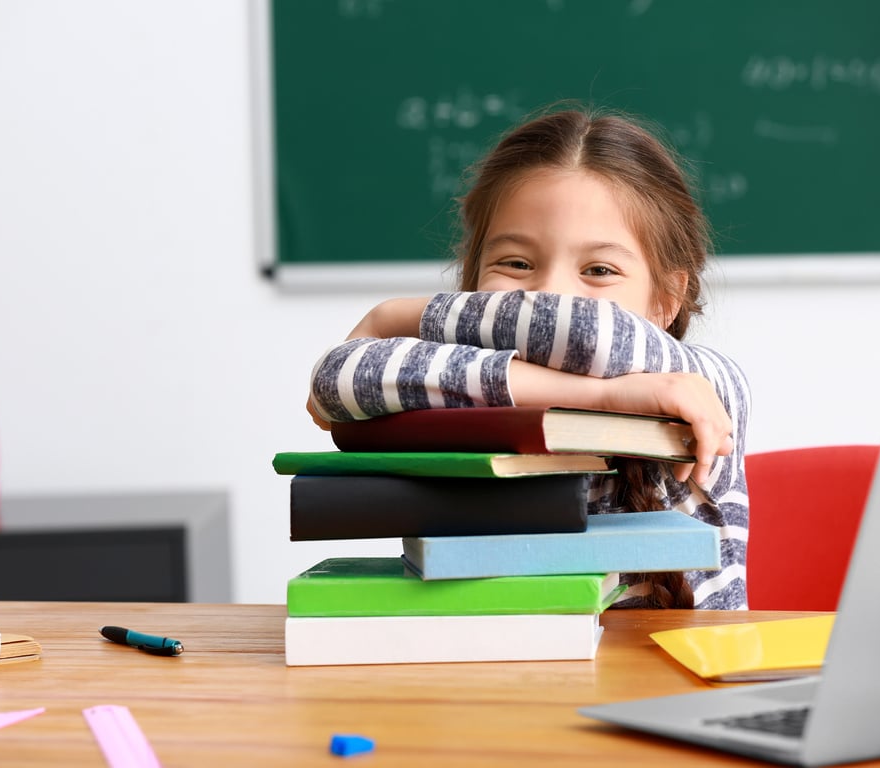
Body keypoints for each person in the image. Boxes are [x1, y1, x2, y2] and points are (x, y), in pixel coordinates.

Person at [307, 107, 751, 609]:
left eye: (600, 269)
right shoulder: (466, 377)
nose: (550, 291)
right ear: (474, 286)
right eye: (516, 264)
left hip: (673, 679)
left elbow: (592, 335)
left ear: (667, 299)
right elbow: (335, 380)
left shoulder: (701, 384)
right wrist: (602, 395)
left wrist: (393, 317)